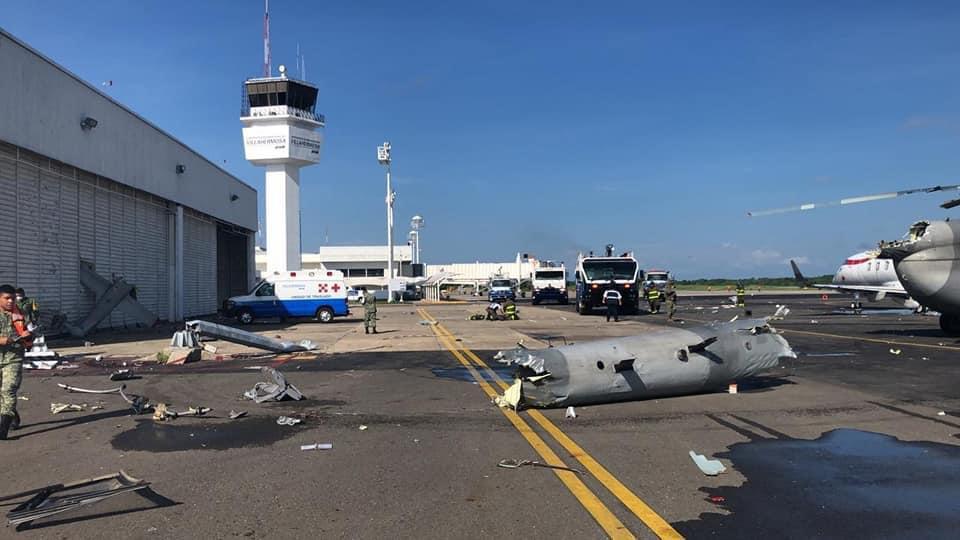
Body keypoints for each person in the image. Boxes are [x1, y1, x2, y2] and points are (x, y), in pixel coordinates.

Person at [0, 284, 31, 439]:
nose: (11, 301)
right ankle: (12, 415)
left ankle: (2, 430)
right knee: (1, 394)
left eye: (13, 298)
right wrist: (2, 340)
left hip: (13, 358)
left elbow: (29, 335)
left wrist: (28, 337)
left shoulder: (21, 313)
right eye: (7, 298)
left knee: (8, 390)